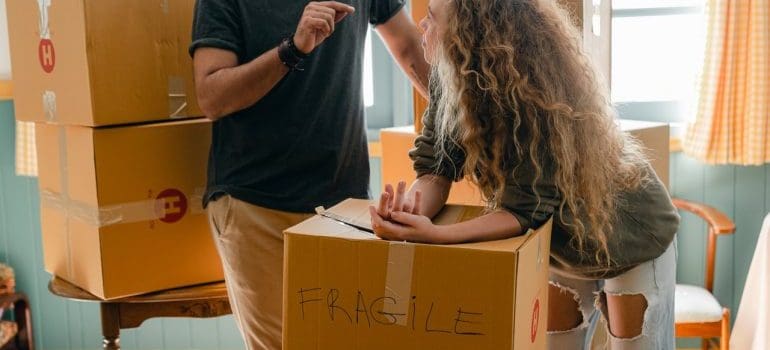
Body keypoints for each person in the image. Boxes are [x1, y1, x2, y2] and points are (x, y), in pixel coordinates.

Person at [368, 0, 680, 348]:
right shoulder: (450, 78)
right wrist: (409, 213)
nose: (421, 27)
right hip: (560, 240)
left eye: (431, 19)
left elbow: (523, 210)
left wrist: (437, 236)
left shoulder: (532, 96)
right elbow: (435, 171)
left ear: (467, 34)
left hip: (627, 234)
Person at [189, 1, 430, 348]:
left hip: (344, 204)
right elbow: (212, 97)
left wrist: (469, 122)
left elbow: (409, 47)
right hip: (256, 204)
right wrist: (291, 50)